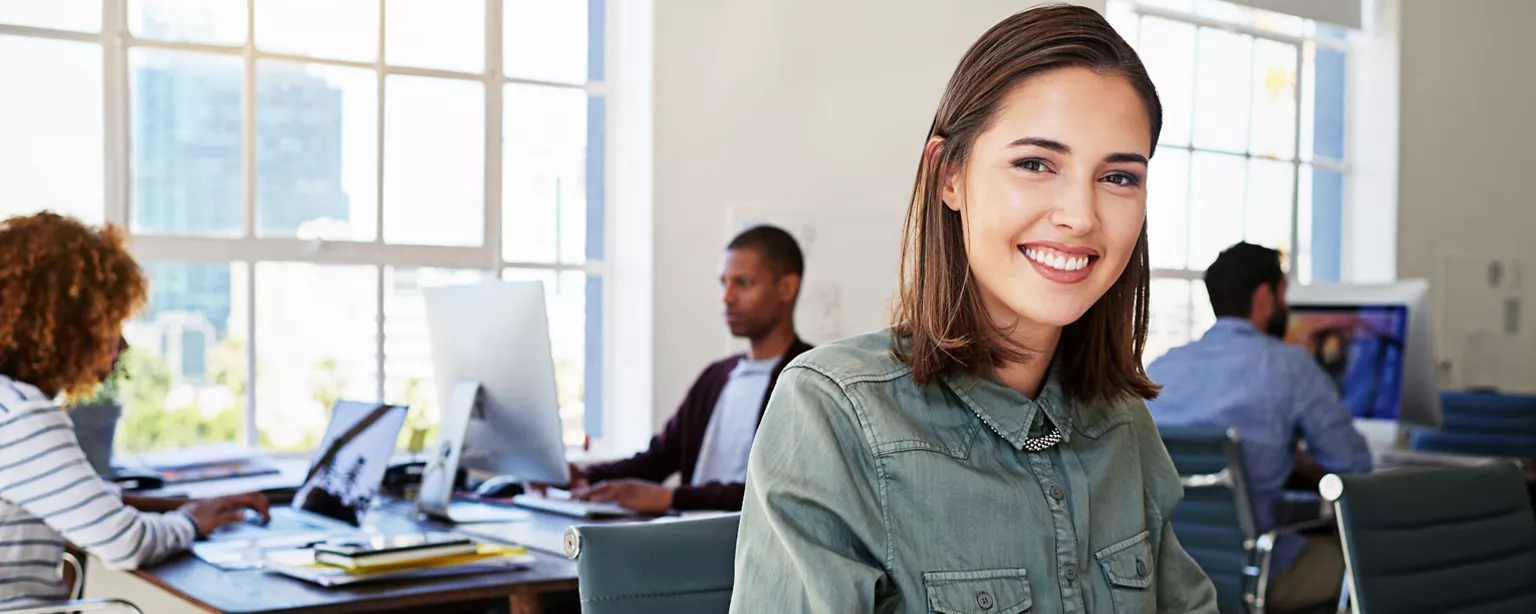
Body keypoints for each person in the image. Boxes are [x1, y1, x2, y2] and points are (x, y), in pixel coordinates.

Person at [730, 7, 1218, 613]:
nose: (1081, 215)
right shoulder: (834, 414)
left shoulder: (1123, 422)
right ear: (949, 175)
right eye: (1036, 164)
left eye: (1118, 177)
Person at [0, 212, 270, 605]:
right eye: (109, 323)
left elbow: (80, 502)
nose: (120, 344)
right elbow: (123, 543)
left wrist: (184, 506)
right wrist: (192, 523)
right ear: (65, 327)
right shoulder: (23, 417)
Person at [1146, 242, 1372, 613]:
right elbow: (1355, 468)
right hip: (1258, 574)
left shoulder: (1161, 370)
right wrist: (1298, 461)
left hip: (1167, 577)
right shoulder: (1289, 367)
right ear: (1265, 296)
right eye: (1284, 294)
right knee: (1365, 564)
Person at [539, 225, 812, 513]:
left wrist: (672, 498)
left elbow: (784, 491)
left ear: (786, 288)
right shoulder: (716, 377)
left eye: (743, 283)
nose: (727, 297)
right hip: (692, 539)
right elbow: (658, 459)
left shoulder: (808, 379)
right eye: (724, 283)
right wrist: (582, 477)